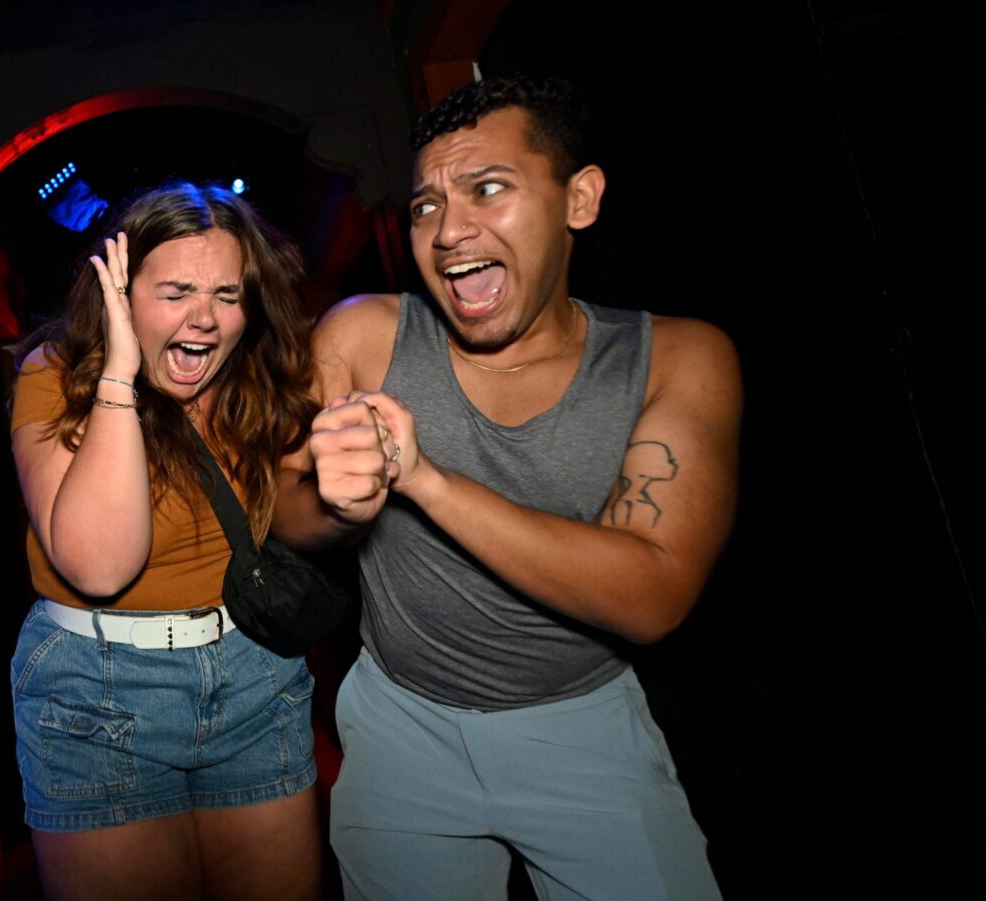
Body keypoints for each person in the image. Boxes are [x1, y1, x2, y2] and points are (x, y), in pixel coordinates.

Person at [274, 76, 741, 899]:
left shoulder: (675, 357)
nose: (450, 230)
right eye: (425, 206)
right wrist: (337, 504)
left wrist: (422, 478)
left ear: (580, 199)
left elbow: (655, 591)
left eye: (488, 189)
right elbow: (281, 512)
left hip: (585, 728)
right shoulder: (361, 333)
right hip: (400, 726)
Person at [9, 182, 322, 900]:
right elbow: (97, 563)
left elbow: (298, 519)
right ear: (119, 292)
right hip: (97, 690)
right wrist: (120, 373)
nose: (205, 319)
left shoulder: (254, 379)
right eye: (176, 291)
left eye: (227, 294)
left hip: (253, 675)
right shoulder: (57, 374)